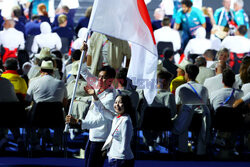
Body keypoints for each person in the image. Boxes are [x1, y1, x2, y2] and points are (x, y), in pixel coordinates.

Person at [66, 43, 116, 167]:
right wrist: (84, 54)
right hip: (93, 135)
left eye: (104, 78)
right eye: (99, 77)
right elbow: (83, 71)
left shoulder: (110, 97)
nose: (100, 80)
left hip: (101, 137)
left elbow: (102, 120)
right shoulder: (98, 86)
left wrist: (79, 122)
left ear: (111, 80)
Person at [173, 64, 210, 155]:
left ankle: (182, 150)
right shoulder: (204, 88)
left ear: (186, 74)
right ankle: (200, 152)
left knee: (182, 117)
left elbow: (177, 106)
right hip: (201, 119)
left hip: (185, 120)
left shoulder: (180, 88)